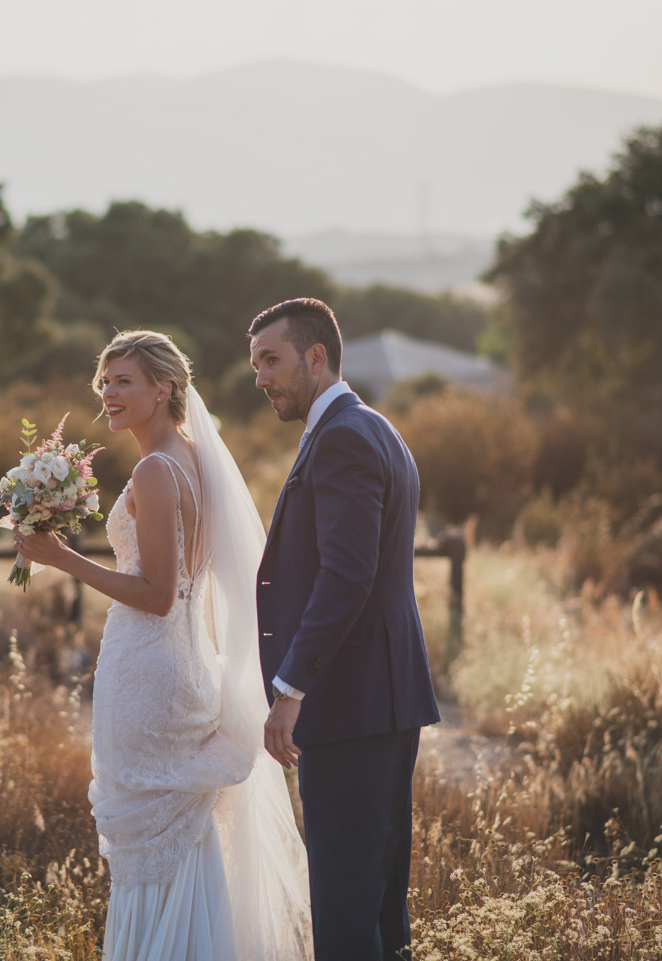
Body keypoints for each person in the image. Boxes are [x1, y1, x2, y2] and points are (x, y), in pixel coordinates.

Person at [16, 330, 313, 961]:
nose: (109, 394)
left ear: (164, 388)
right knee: (184, 833)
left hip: (151, 669)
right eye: (105, 382)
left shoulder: (155, 470)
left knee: (151, 848)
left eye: (125, 381)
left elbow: (156, 592)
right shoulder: (197, 457)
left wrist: (60, 556)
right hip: (184, 666)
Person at [248, 298, 440, 961]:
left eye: (271, 360)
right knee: (377, 902)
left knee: (346, 912)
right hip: (380, 698)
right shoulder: (375, 427)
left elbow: (347, 576)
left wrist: (291, 686)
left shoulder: (344, 439)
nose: (262, 378)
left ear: (317, 356)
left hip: (351, 703)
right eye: (255, 366)